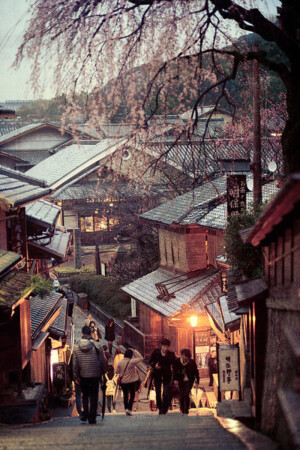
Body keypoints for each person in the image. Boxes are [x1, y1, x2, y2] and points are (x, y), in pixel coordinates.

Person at [73, 325, 106, 424]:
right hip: (95, 375)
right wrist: (103, 372)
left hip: (83, 375)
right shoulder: (97, 345)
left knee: (85, 395)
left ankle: (85, 414)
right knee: (94, 396)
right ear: (91, 333)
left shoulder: (76, 346)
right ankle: (92, 418)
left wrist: (76, 376)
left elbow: (75, 363)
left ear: (82, 334)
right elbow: (102, 361)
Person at [149, 338, 176, 415]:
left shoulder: (171, 354)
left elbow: (174, 365)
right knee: (157, 392)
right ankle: (160, 408)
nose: (165, 348)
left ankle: (165, 408)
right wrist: (155, 365)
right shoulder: (156, 352)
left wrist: (174, 376)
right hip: (157, 375)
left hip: (167, 375)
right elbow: (150, 361)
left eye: (167, 347)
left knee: (165, 393)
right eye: (164, 346)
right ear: (161, 346)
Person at [115, 348, 144, 416]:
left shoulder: (120, 362)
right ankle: (129, 408)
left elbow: (116, 372)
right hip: (131, 381)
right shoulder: (132, 361)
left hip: (123, 382)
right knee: (132, 395)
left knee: (125, 395)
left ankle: (126, 409)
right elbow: (141, 358)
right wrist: (134, 351)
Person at [174, 348, 199, 415]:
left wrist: (197, 381)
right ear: (181, 355)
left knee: (186, 393)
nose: (184, 357)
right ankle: (182, 408)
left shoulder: (192, 362)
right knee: (181, 394)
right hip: (181, 380)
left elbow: (196, 371)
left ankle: (187, 409)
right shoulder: (178, 361)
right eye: (183, 355)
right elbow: (175, 371)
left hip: (189, 381)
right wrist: (175, 379)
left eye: (186, 356)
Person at [69, 353, 83, 419]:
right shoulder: (90, 350)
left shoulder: (75, 353)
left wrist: (74, 378)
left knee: (78, 395)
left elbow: (70, 366)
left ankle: (80, 412)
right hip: (87, 376)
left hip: (78, 378)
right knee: (88, 395)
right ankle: (88, 411)